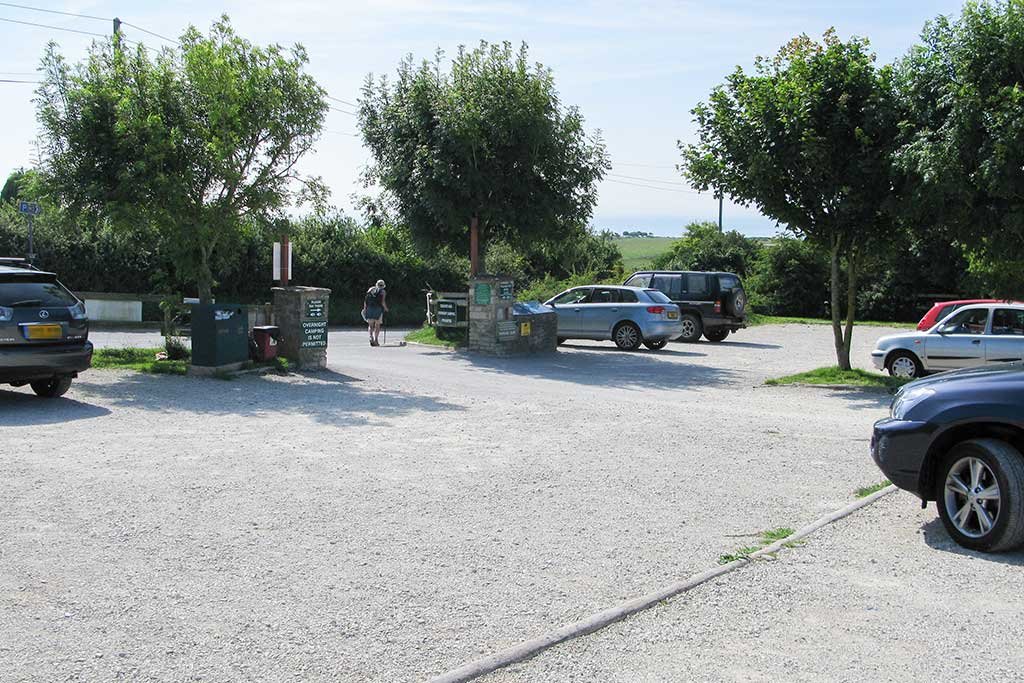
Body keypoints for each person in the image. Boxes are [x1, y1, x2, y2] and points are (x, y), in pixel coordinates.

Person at [362, 279, 389, 346]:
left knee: (370, 325)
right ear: (383, 285)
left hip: (369, 309)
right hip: (378, 309)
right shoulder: (383, 291)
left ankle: (371, 337)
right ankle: (376, 340)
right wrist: (386, 309)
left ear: (376, 284)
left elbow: (365, 300)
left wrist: (365, 309)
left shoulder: (370, 289)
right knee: (377, 325)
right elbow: (382, 302)